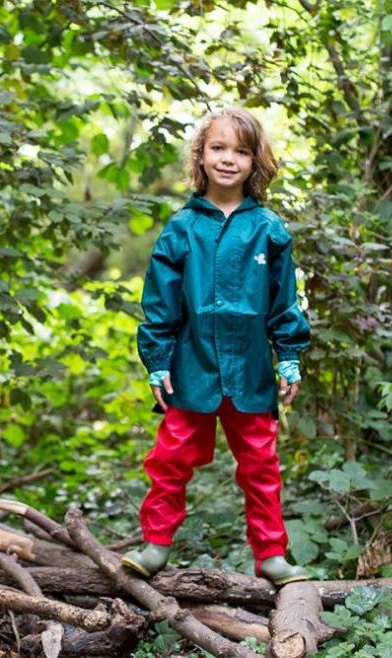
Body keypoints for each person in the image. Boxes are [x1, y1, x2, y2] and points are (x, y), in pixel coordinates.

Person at [120, 106, 310, 586]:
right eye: (218, 148)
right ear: (201, 156)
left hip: (250, 373)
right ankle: (156, 545)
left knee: (261, 465)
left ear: (255, 161)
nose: (228, 159)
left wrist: (288, 357)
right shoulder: (182, 228)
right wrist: (157, 362)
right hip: (192, 370)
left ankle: (271, 555)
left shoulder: (270, 229)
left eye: (241, 151)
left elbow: (283, 303)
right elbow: (160, 305)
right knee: (170, 459)